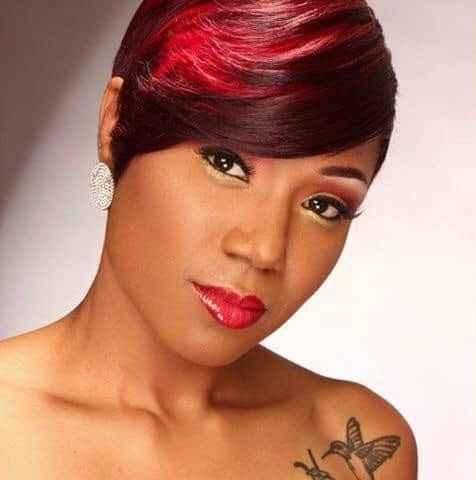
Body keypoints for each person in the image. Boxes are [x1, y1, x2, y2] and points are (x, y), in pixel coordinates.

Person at [0, 1, 418, 478]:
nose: (264, 250)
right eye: (226, 164)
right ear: (115, 126)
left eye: (323, 205)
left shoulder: (351, 446)